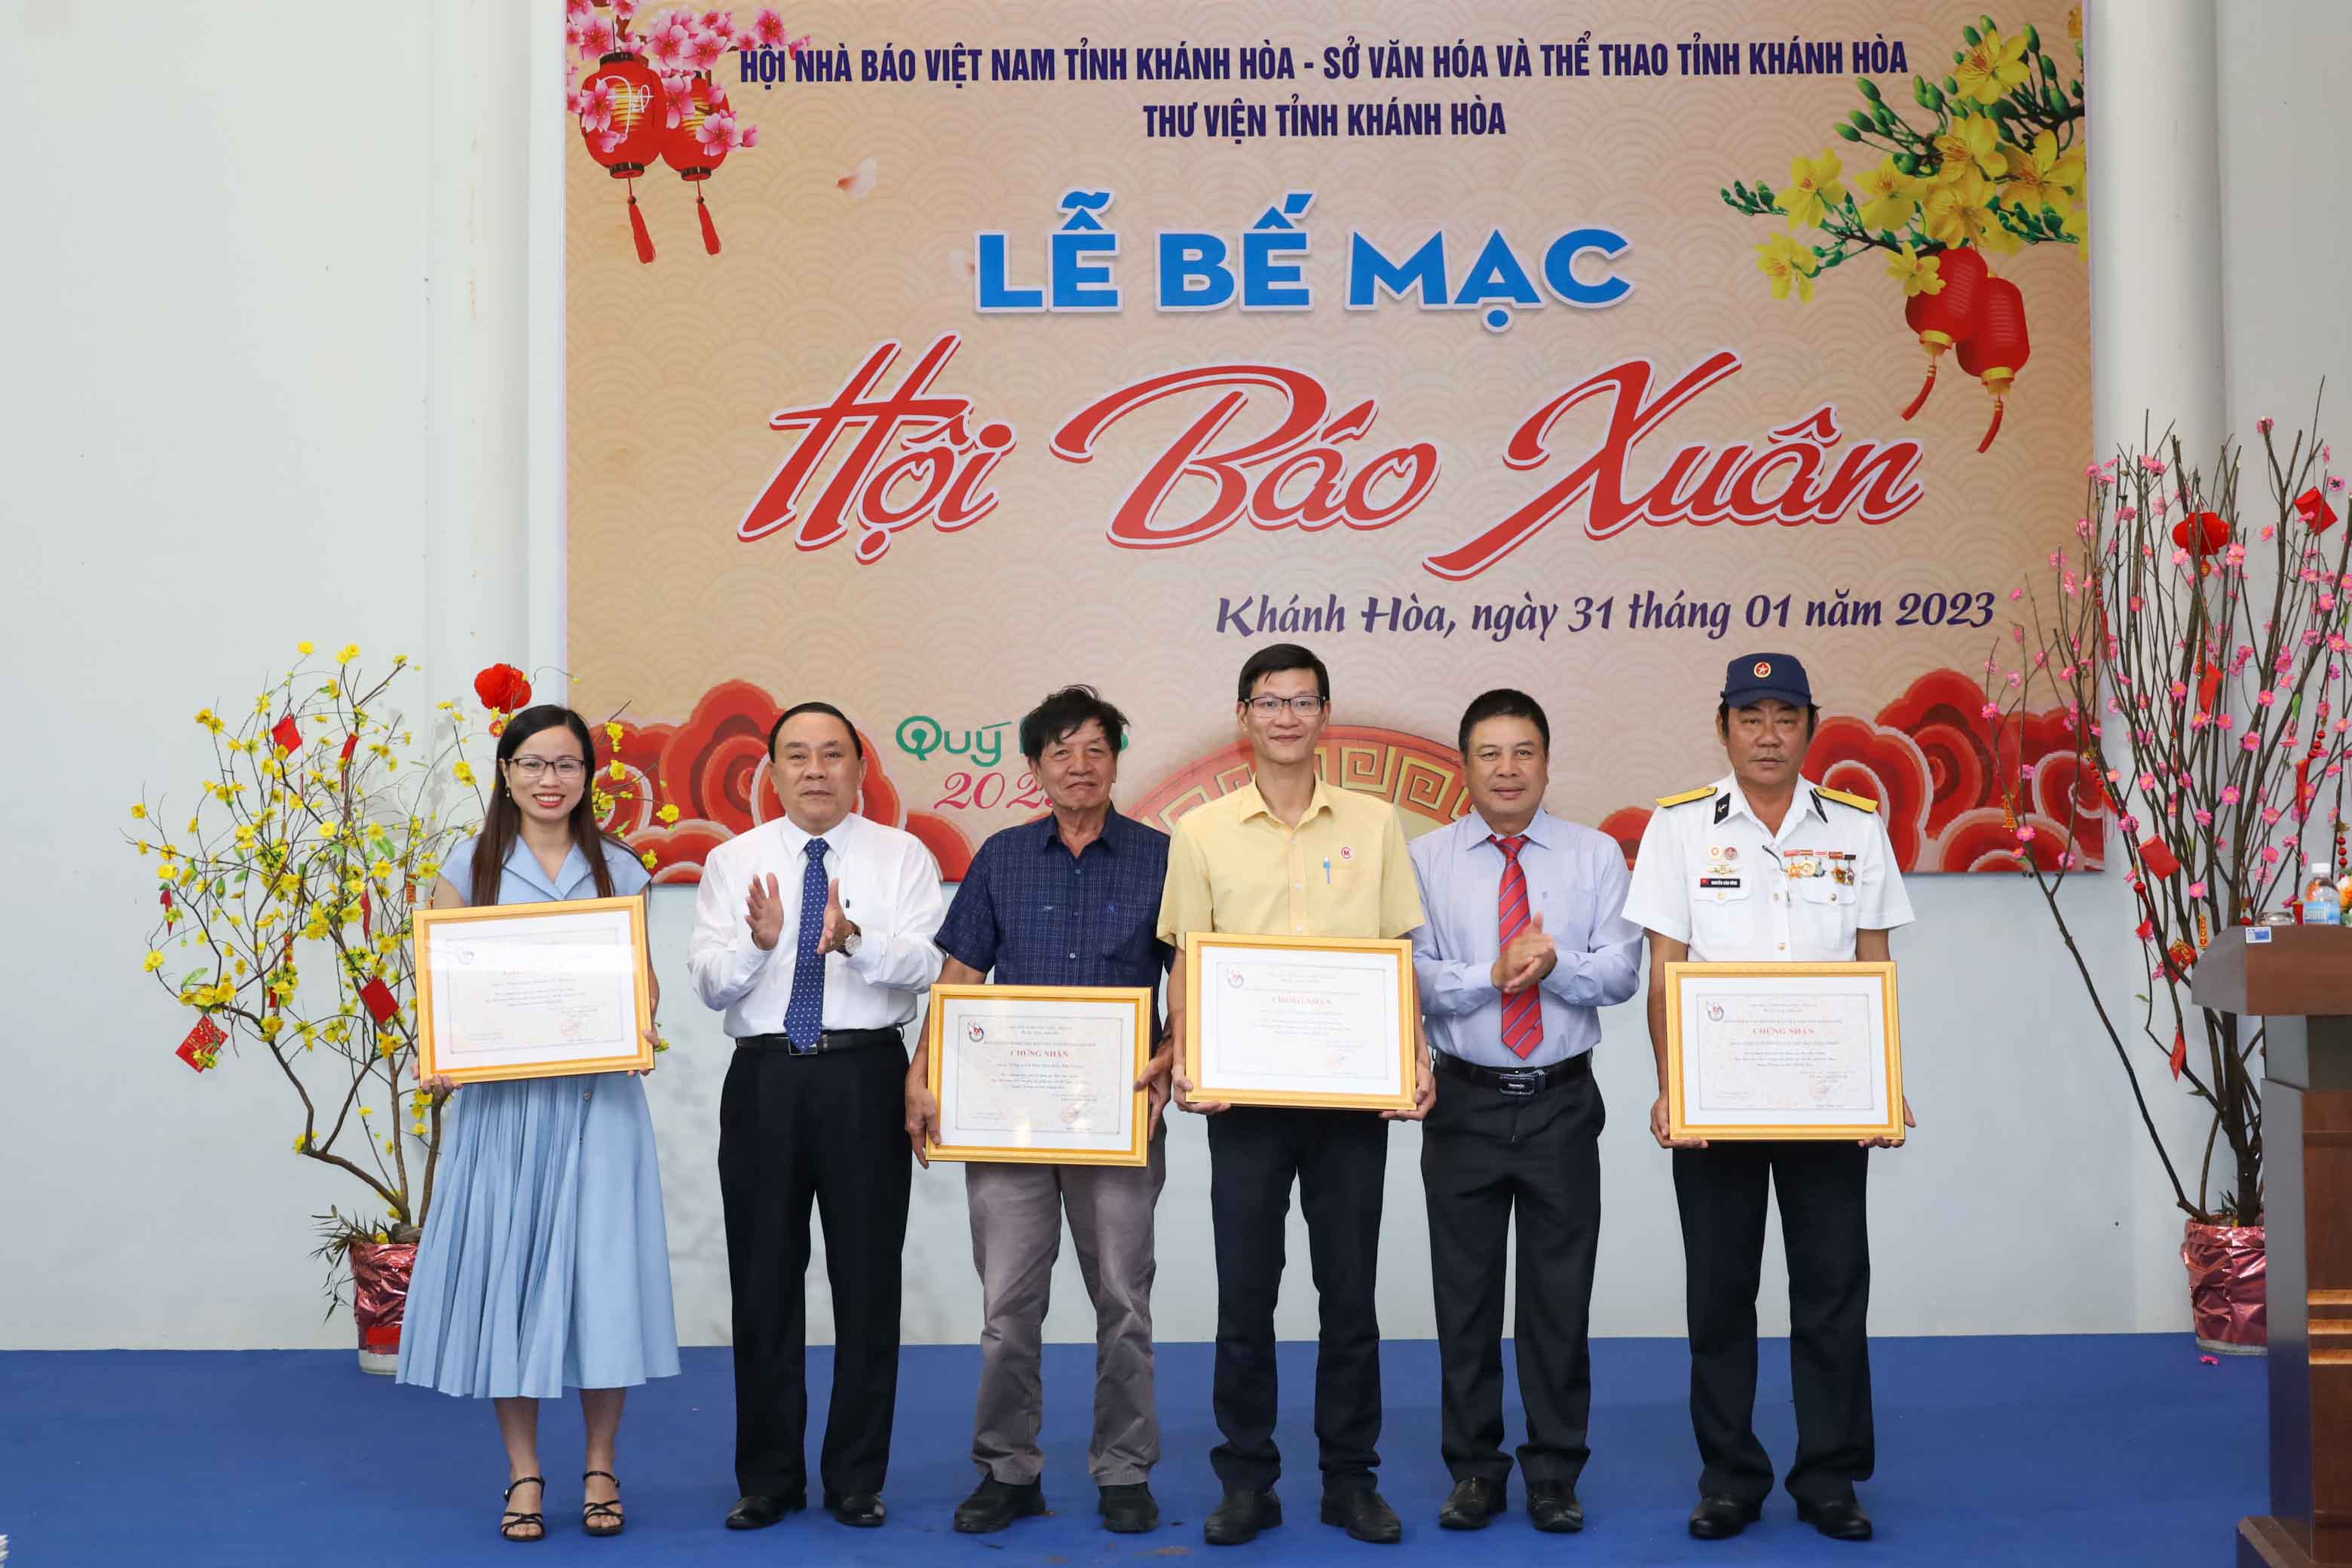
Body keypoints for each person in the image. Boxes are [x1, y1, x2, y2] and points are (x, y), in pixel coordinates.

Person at [1621, 654, 1916, 1544]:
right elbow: (1663, 975)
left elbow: (1873, 966)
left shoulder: (1858, 827)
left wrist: (1885, 1085)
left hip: (1827, 1103)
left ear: (1809, 729)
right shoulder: (1679, 829)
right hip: (1720, 1107)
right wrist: (1674, 1089)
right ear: (1723, 727)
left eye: (1786, 716)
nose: (1768, 733)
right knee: (1720, 1293)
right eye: (1750, 716)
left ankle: (1830, 1476)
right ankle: (1730, 1478)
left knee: (1833, 1290)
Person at [1154, 643, 1434, 1548]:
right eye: (1268, 702)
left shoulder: (1376, 821)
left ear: (1324, 714)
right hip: (1247, 1108)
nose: (1285, 716)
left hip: (1353, 1103)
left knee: (1349, 1293)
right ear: (1244, 717)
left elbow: (1402, 958)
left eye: (1302, 701)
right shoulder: (1201, 833)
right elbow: (1186, 967)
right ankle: (1248, 1480)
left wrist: (1416, 1056)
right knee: (1247, 1293)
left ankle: (1351, 1478)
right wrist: (1191, 1056)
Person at [398, 704, 677, 1543]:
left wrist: (639, 1027)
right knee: (508, 1286)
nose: (549, 779)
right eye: (532, 763)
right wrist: (441, 1053)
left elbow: (646, 989)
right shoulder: (467, 867)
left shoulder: (621, 870)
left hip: (599, 1108)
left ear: (589, 777)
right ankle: (524, 1472)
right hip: (503, 1113)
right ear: (507, 772)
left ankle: (601, 1464)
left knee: (603, 1283)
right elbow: (443, 995)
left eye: (565, 764)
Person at [905, 687, 1174, 1537]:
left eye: (1095, 749)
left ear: (1116, 760)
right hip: (1008, 1120)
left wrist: (1178, 1052)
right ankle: (1007, 1469)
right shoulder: (1001, 856)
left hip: (1118, 1117)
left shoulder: (1162, 858)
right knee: (1007, 1309)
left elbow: (1195, 977)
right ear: (1035, 767)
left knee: (1124, 1303)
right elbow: (960, 980)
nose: (1080, 765)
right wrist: (923, 1069)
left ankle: (1124, 1468)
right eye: (1061, 751)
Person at [687, 701, 946, 1531]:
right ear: (771, 770)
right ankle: (768, 1476)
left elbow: (925, 964)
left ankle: (855, 1478)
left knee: (868, 1280)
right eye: (796, 755)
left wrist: (852, 935)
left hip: (864, 1075)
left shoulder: (903, 856)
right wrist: (765, 945)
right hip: (764, 1080)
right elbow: (708, 980)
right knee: (762, 1278)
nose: (814, 769)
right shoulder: (734, 860)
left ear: (859, 768)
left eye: (832, 754)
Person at [1407, 689, 1641, 1535]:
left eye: (1524, 752)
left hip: (1561, 1103)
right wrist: (1494, 971)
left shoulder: (1595, 855)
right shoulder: (1426, 858)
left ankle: (1554, 1473)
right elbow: (1415, 975)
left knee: (1558, 1298)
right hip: (1463, 1101)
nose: (1507, 769)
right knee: (1463, 1298)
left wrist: (1555, 963)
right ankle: (1474, 1469)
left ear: (1548, 760)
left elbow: (1620, 972)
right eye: (1490, 754)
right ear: (1465, 764)